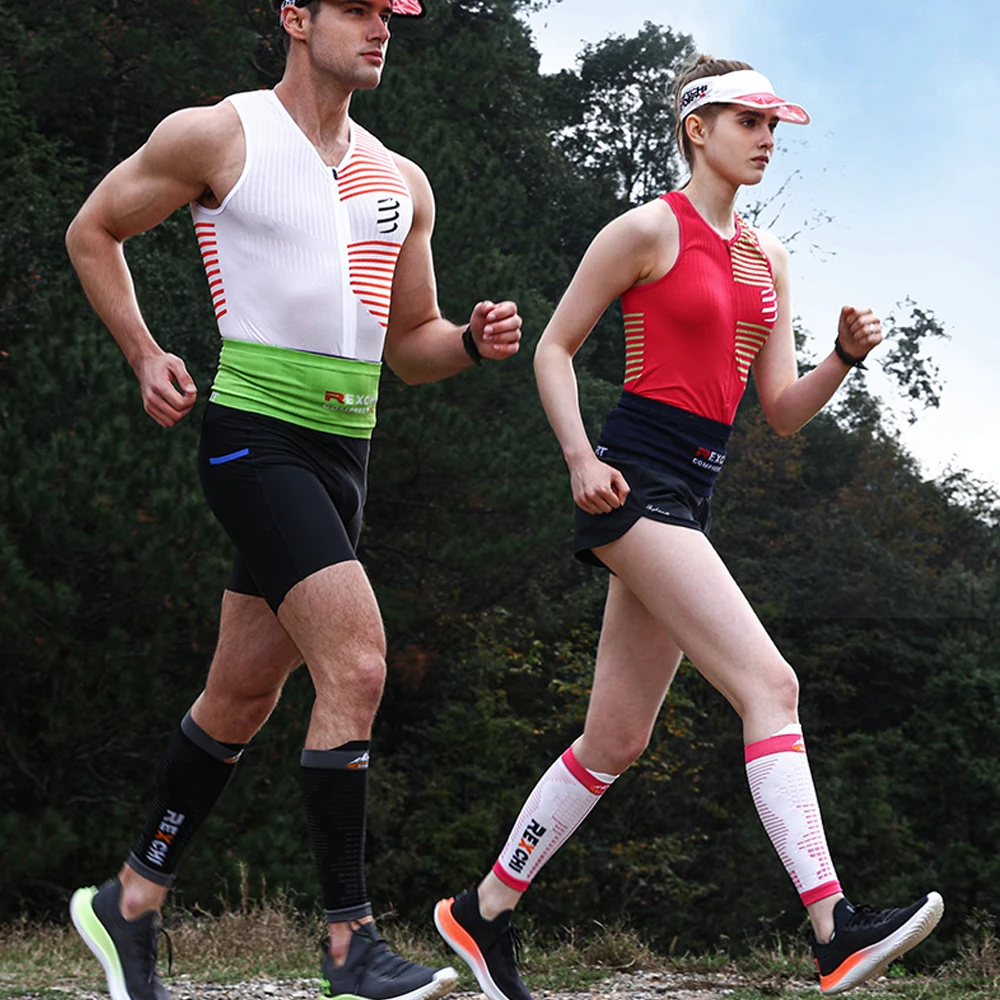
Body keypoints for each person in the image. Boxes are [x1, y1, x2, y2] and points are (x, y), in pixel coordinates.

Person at [433, 56, 943, 999]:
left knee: (615, 740)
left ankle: (483, 911)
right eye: (747, 120)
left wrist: (841, 356)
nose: (765, 138)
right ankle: (833, 926)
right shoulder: (644, 230)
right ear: (696, 127)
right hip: (635, 483)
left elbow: (781, 412)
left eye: (772, 126)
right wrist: (581, 458)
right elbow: (553, 347)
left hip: (695, 490)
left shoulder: (769, 260)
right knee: (773, 685)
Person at [64, 2, 522, 999]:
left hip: (344, 455)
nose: (380, 29)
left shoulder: (401, 182)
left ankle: (129, 899)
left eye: (391, 14)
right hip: (254, 439)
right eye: (356, 10)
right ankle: (348, 942)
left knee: (240, 698)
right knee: (355, 662)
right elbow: (93, 228)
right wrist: (144, 353)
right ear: (296, 17)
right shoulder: (220, 134)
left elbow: (410, 342)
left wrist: (470, 341)